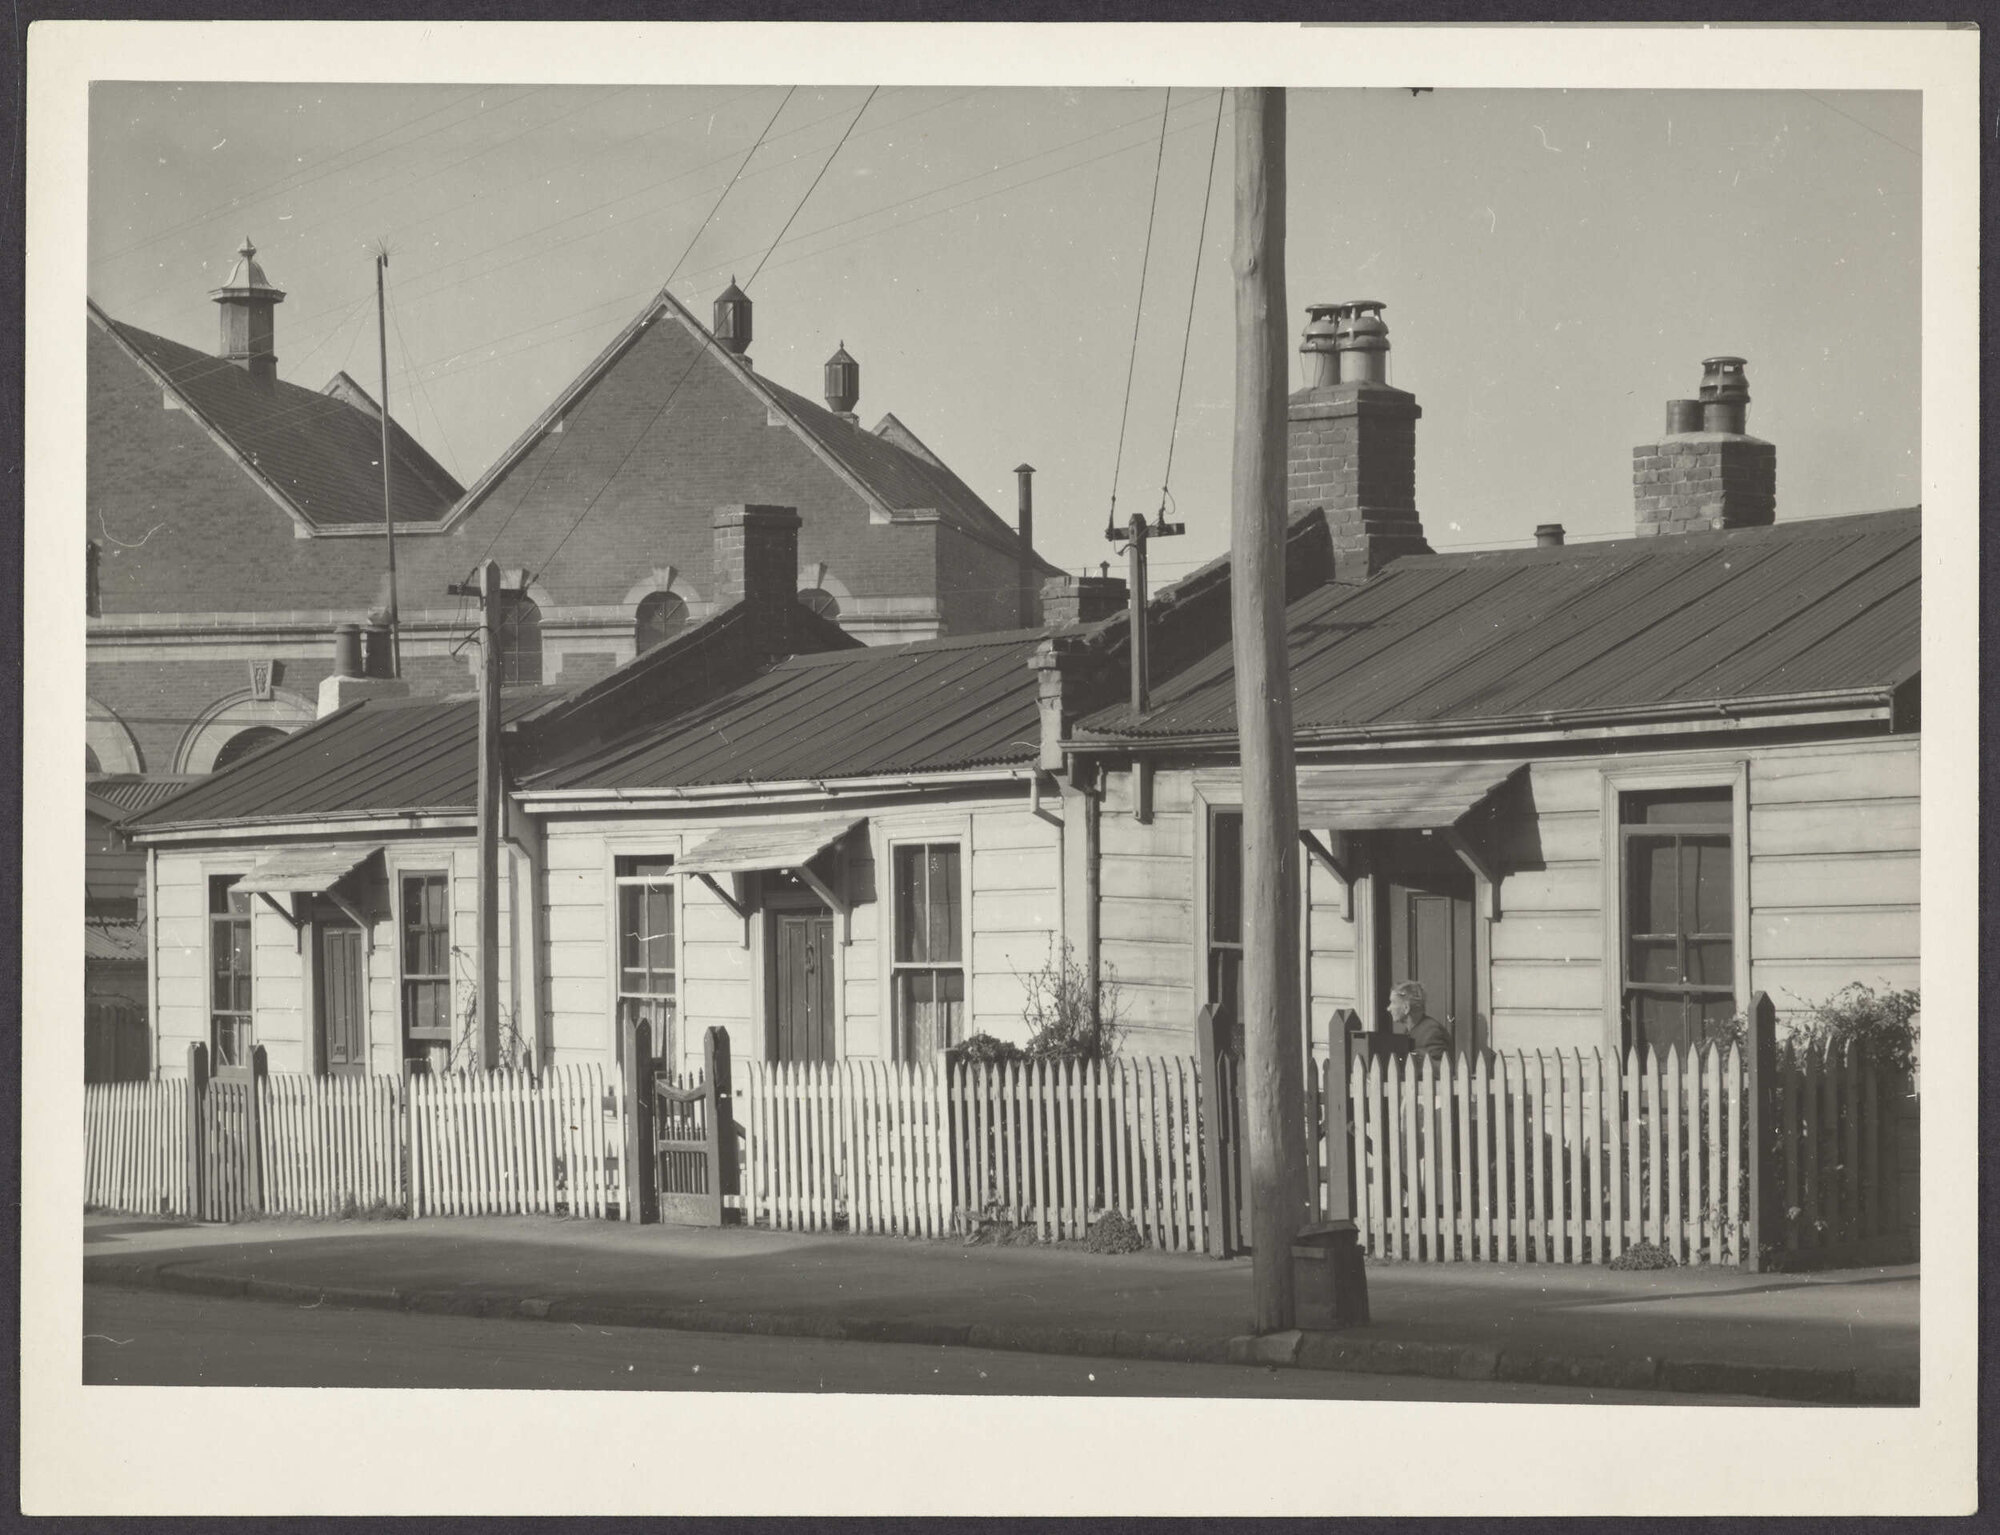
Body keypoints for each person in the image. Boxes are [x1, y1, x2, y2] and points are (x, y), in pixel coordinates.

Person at [1388, 980, 1452, 1062]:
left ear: (1406, 1008)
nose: (1389, 1008)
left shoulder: (1431, 1032)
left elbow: (1438, 1070)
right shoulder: (1410, 1030)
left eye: (1393, 1002)